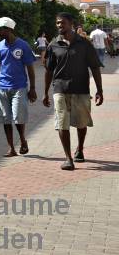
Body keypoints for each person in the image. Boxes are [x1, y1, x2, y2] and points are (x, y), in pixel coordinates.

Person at [43, 13, 104, 170]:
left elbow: (95, 67)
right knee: (62, 122)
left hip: (81, 89)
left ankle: (80, 149)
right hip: (59, 89)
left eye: (62, 22)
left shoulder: (84, 43)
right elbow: (49, 70)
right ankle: (68, 158)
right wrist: (45, 92)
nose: (59, 25)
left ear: (71, 24)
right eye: (57, 23)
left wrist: (100, 90)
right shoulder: (53, 44)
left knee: (81, 123)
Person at [0, 17, 37, 157]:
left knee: (18, 117)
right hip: (2, 87)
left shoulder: (23, 46)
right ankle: (11, 148)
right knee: (5, 118)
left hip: (19, 87)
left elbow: (30, 68)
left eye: (0, 29)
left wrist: (32, 88)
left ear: (8, 29)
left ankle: (22, 140)